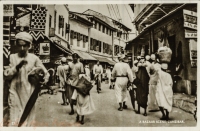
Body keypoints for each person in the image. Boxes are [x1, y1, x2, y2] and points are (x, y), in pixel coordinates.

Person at [4, 32, 50, 126]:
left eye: (24, 46)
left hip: (29, 94)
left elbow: (46, 73)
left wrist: (43, 79)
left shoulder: (34, 58)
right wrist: (17, 67)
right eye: (19, 45)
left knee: (28, 120)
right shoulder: (12, 57)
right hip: (14, 92)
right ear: (16, 45)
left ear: (29, 46)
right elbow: (6, 75)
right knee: (13, 119)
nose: (22, 49)